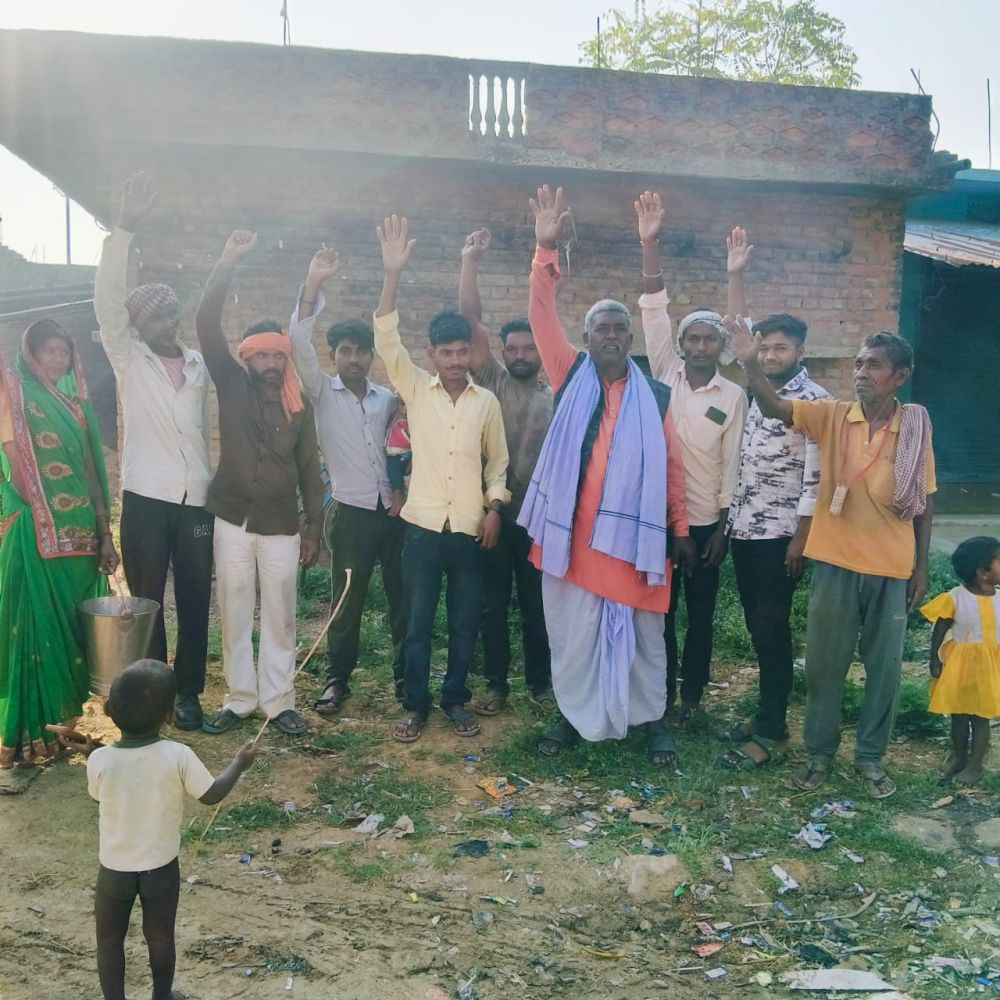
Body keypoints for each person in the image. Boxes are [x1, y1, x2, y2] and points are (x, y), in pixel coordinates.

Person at [519, 185, 694, 765]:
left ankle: (653, 722)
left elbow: (672, 468)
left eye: (621, 328)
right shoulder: (568, 374)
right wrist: (546, 249)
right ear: (587, 339)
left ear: (630, 338)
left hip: (634, 544)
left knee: (646, 638)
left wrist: (682, 529)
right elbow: (541, 315)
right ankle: (571, 717)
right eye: (602, 329)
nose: (613, 336)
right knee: (571, 637)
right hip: (572, 542)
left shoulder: (657, 395)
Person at [730, 319, 935, 800]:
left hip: (891, 568)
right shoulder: (833, 414)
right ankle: (819, 754)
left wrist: (921, 566)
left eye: (875, 366)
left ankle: (870, 759)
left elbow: (924, 502)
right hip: (836, 564)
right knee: (825, 666)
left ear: (899, 376)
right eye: (859, 363)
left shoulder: (915, 427)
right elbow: (775, 406)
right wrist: (749, 362)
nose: (862, 372)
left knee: (883, 672)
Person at [372, 215, 510, 743]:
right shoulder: (414, 388)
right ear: (431, 356)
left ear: (473, 354)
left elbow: (498, 463)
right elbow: (386, 338)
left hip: (471, 530)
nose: (455, 361)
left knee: (464, 621)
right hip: (423, 527)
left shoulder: (487, 402)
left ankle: (455, 697)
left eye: (462, 352)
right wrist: (392, 275)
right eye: (446, 353)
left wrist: (495, 508)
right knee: (417, 619)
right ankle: (415, 703)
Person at [94, 172, 214, 731]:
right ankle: (152, 697)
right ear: (140, 325)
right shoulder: (129, 360)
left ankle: (188, 693)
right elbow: (106, 307)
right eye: (157, 316)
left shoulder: (196, 365)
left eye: (172, 313)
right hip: (144, 498)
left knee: (193, 601)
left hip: (195, 502)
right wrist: (123, 232)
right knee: (149, 603)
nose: (169, 322)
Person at [60, 659, 255, 1000]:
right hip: (160, 868)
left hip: (114, 871)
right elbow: (211, 795)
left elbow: (103, 794)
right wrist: (238, 762)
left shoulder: (100, 761)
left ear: (108, 709)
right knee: (161, 936)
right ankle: (162, 996)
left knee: (108, 940)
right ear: (168, 714)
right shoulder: (178, 755)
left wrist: (95, 753)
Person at [196, 230, 324, 737]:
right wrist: (226, 260)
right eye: (262, 357)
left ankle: (280, 701)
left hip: (280, 523)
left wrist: (313, 527)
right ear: (247, 357)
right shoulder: (230, 382)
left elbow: (311, 469)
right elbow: (206, 323)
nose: (270, 366)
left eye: (278, 358)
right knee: (234, 606)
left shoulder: (299, 404)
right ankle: (240, 699)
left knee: (281, 613)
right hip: (231, 516)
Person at [718, 229, 831, 769]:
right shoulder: (756, 384)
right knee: (760, 627)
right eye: (765, 347)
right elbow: (739, 334)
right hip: (746, 528)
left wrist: (802, 540)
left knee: (771, 627)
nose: (768, 353)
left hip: (781, 536)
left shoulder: (814, 401)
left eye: (779, 347)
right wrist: (736, 275)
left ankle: (773, 731)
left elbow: (818, 477)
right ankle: (767, 717)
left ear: (801, 351)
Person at [638, 194, 748, 722]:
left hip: (705, 527)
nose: (700, 345)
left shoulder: (731, 396)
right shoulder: (663, 373)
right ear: (681, 343)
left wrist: (724, 529)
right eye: (692, 337)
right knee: (658, 613)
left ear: (719, 345)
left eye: (709, 338)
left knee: (700, 616)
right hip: (657, 521)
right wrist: (650, 242)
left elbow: (732, 468)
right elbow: (653, 307)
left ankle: (692, 698)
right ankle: (657, 693)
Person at [289, 246, 406, 711]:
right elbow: (297, 341)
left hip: (395, 512)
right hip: (352, 513)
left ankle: (405, 678)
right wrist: (314, 282)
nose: (354, 359)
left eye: (361, 352)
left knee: (403, 597)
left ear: (371, 357)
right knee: (347, 600)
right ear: (334, 355)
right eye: (345, 351)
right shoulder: (322, 392)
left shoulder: (387, 399)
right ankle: (337, 678)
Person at [0, 319, 118, 777]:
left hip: (79, 542)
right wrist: (47, 513)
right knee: (32, 628)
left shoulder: (74, 408)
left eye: (62, 353)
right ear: (31, 354)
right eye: (48, 351)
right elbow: (14, 459)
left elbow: (91, 471)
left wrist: (104, 533)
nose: (56, 360)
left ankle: (62, 726)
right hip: (34, 534)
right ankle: (26, 738)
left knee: (71, 631)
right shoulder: (14, 397)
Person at [459, 227, 554, 713]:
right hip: (493, 514)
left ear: (540, 350)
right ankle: (496, 685)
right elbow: (470, 320)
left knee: (539, 607)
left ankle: (541, 683)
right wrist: (470, 260)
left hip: (539, 523)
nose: (519, 355)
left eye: (527, 348)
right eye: (512, 348)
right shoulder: (493, 380)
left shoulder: (556, 394)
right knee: (492, 605)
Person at [922, 536, 1000, 787]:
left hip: (990, 668)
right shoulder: (955, 598)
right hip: (960, 667)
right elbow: (940, 627)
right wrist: (934, 658)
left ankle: (975, 765)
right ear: (983, 572)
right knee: (958, 715)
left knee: (981, 717)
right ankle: (958, 757)